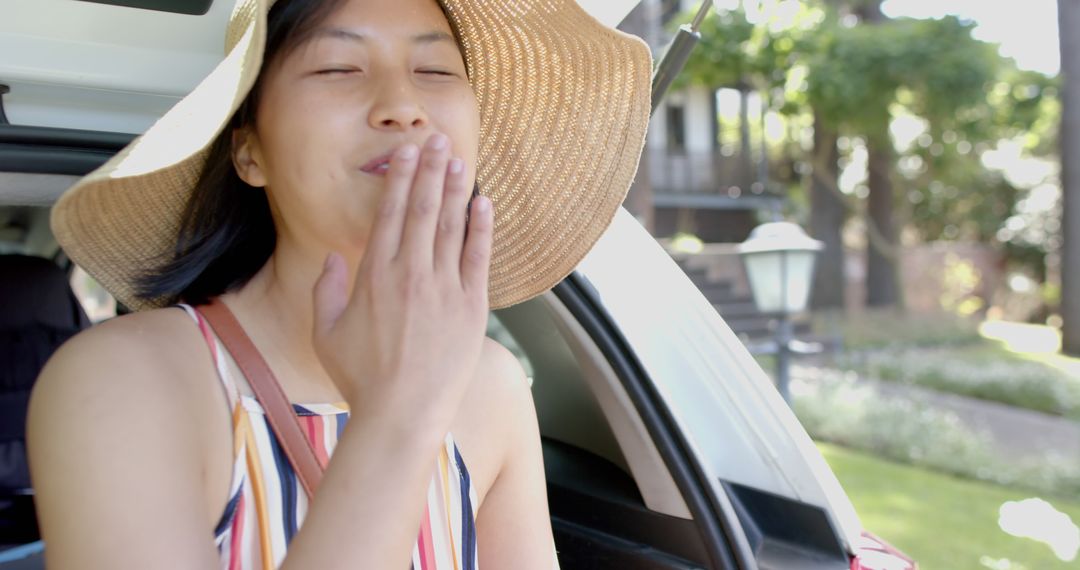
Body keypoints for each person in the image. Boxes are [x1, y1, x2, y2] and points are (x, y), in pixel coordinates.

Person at [26, 0, 651, 567]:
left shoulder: (491, 386)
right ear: (249, 152)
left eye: (435, 71)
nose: (404, 105)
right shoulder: (124, 381)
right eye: (337, 68)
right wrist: (398, 414)